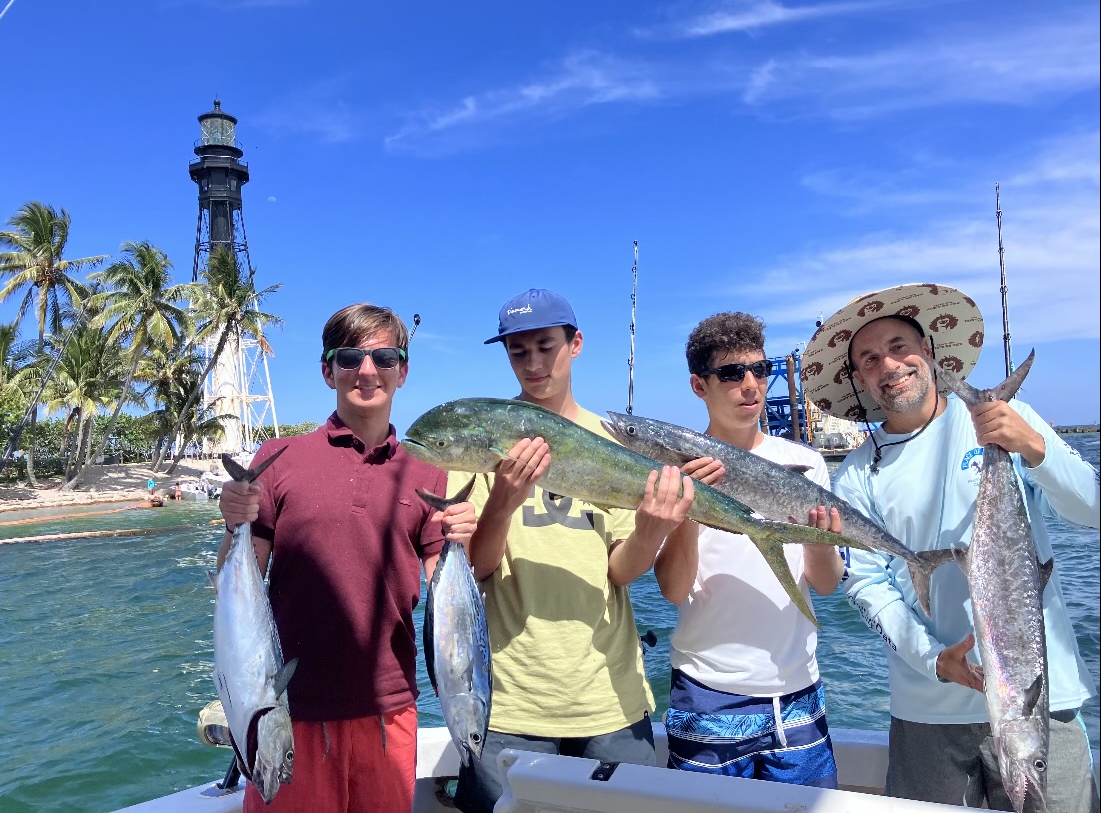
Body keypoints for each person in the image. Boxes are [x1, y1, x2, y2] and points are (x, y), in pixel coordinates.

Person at [801, 282, 1099, 812]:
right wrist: (932, 659)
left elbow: (1092, 511)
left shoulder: (1006, 421)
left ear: (931, 353)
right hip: (927, 714)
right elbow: (865, 584)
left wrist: (1032, 446)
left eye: (898, 346)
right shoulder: (854, 474)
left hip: (1042, 698)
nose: (888, 365)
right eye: (869, 360)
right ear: (859, 380)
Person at [217, 303, 477, 813]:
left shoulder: (429, 473)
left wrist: (462, 538)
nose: (366, 370)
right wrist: (233, 524)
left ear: (403, 371)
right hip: (285, 705)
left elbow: (446, 604)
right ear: (326, 369)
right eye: (350, 356)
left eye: (383, 357)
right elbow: (236, 584)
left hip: (390, 711)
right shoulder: (279, 459)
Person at [450, 288, 694, 813]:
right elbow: (474, 571)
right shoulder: (477, 437)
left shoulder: (615, 443)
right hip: (509, 700)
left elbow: (621, 570)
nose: (533, 363)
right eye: (519, 352)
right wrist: (503, 503)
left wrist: (652, 531)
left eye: (546, 346)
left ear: (575, 343)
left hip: (610, 697)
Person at [654, 312, 843, 788]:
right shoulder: (673, 470)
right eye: (732, 374)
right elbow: (675, 591)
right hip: (707, 692)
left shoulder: (805, 464)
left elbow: (824, 584)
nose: (751, 384)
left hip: (799, 693)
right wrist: (690, 508)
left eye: (761, 370)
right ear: (700, 385)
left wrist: (817, 536)